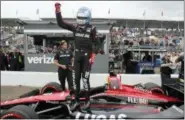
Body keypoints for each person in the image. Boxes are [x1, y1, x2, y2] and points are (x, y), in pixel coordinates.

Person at [55, 3, 104, 111]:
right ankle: (76, 100)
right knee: (75, 80)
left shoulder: (92, 29)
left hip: (87, 57)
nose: (81, 20)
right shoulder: (75, 27)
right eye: (79, 17)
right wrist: (58, 10)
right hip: (76, 56)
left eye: (83, 18)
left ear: (88, 18)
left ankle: (87, 100)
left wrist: (94, 55)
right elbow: (61, 23)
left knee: (85, 79)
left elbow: (98, 43)